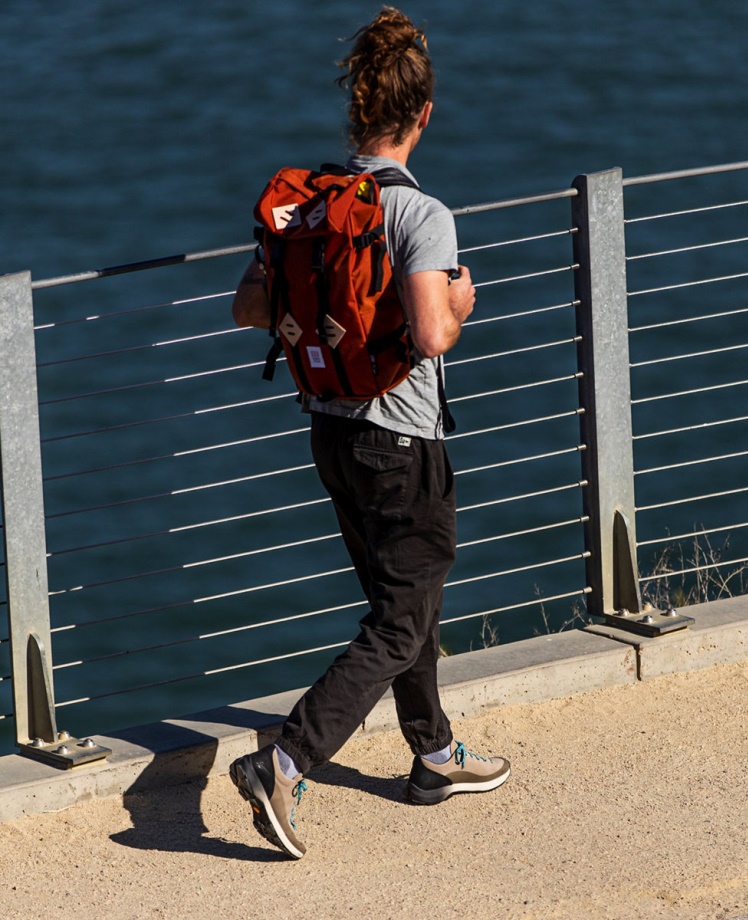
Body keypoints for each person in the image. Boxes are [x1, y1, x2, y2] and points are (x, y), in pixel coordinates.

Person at [228, 7, 510, 860]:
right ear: (425, 115)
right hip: (401, 442)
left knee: (403, 601)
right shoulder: (421, 215)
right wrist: (459, 307)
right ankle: (286, 759)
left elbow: (248, 308)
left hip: (332, 434)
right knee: (399, 616)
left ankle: (432, 755)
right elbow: (430, 337)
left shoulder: (308, 206)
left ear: (356, 115)